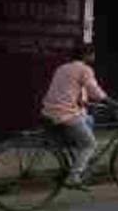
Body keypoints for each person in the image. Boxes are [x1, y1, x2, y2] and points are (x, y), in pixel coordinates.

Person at [41, 44, 109, 188]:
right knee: (90, 144)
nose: (94, 57)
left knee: (87, 120)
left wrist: (83, 102)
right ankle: (74, 176)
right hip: (65, 114)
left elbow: (67, 91)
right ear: (87, 55)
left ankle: (79, 163)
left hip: (49, 111)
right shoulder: (84, 69)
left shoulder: (62, 68)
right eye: (93, 54)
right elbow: (95, 91)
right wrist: (112, 102)